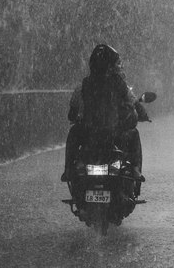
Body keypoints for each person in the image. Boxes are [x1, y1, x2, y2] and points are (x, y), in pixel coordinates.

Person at [61, 44, 146, 183]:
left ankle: (69, 169)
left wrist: (78, 117)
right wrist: (142, 113)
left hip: (88, 136)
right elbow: (134, 102)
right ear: (111, 66)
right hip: (114, 136)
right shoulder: (119, 84)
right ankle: (136, 169)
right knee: (134, 134)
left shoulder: (84, 85)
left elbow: (72, 113)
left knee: (73, 132)